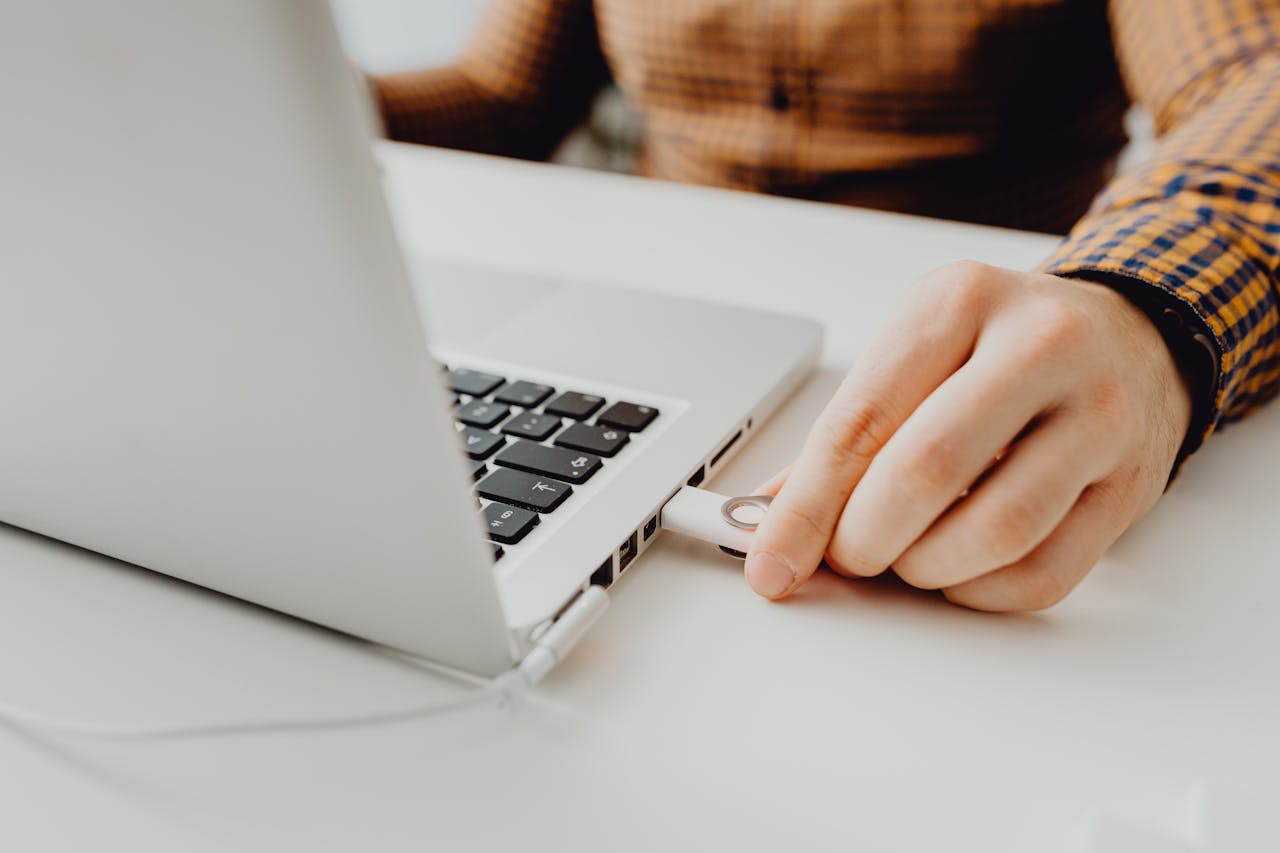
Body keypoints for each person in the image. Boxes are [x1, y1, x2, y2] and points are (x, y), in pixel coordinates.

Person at [366, 1, 1280, 611]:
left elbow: (1256, 79)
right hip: (635, 336)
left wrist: (1142, 304)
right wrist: (303, 102)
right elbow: (503, 96)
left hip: (964, 403)